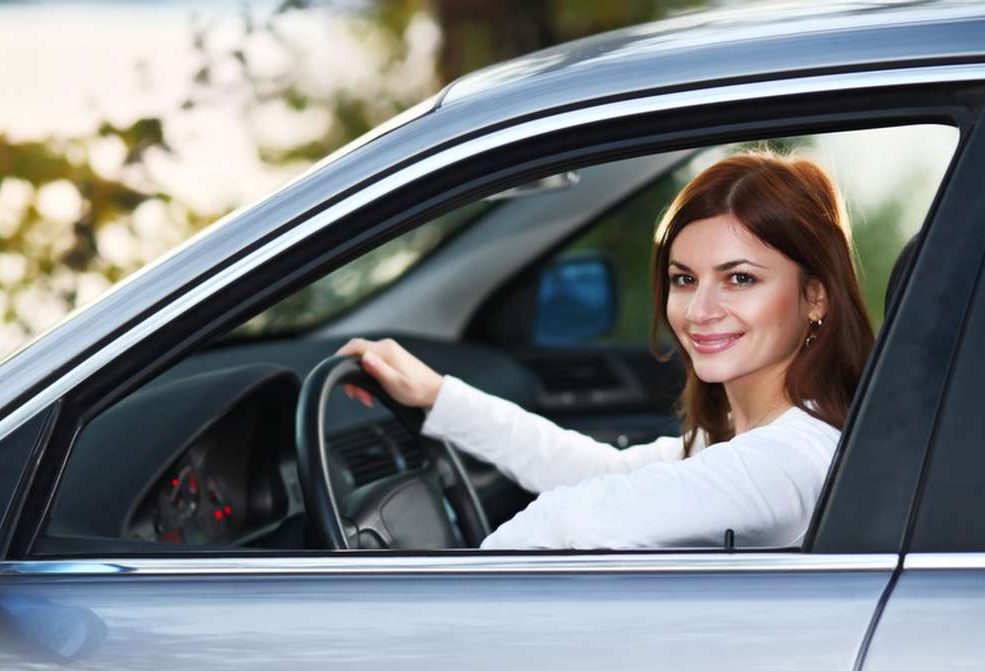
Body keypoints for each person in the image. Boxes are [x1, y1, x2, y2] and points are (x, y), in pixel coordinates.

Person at [338, 151, 875, 549]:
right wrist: (436, 397)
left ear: (815, 297)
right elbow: (600, 473)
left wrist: (441, 603)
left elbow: (575, 519)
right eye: (684, 279)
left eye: (739, 278)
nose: (699, 310)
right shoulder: (748, 438)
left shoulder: (786, 460)